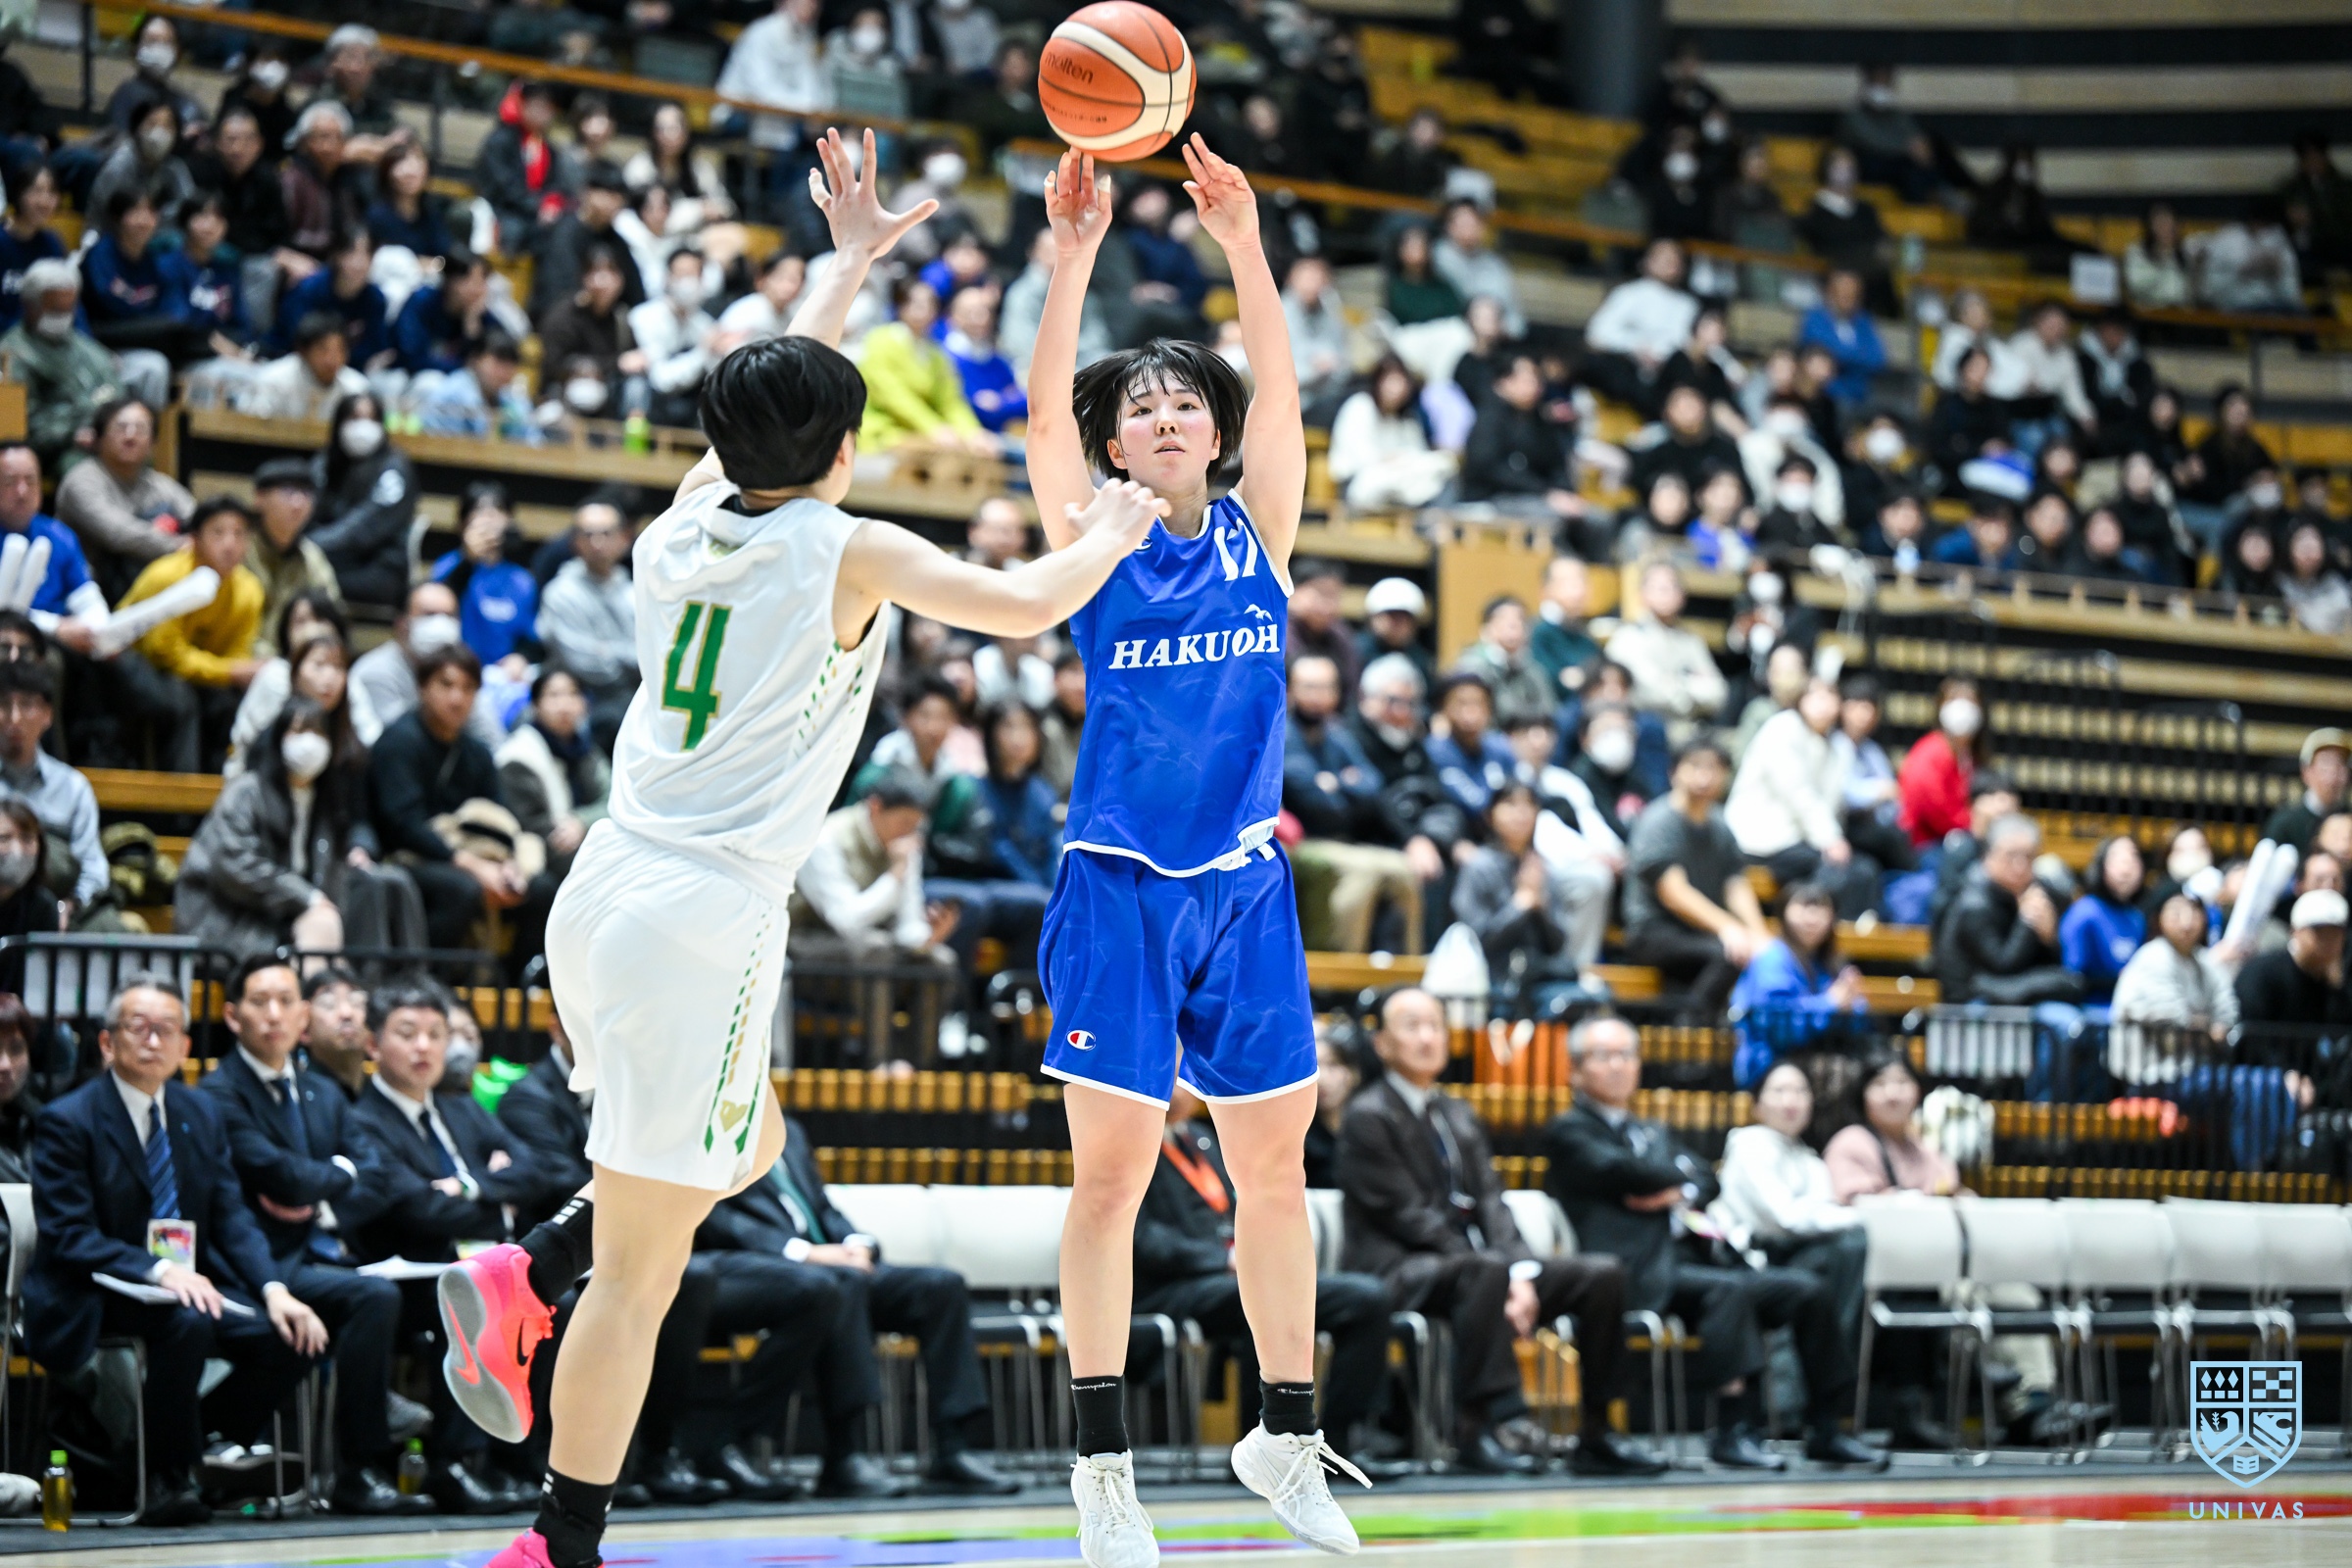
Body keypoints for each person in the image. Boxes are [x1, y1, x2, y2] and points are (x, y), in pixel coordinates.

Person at [433, 130, 1172, 1568]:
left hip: (603, 890)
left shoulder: (681, 522)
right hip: (704, 916)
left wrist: (846, 266)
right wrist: (1118, 525)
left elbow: (766, 409)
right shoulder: (848, 548)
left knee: (751, 1146)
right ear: (844, 452)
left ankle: (534, 1261)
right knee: (645, 1272)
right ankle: (557, 1541)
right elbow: (1031, 603)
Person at [1002, 134, 1386, 1562]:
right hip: (1117, 888)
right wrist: (1074, 256)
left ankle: (1285, 1434)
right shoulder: (1093, 535)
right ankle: (1103, 1473)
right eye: (1140, 407)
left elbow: (1279, 388)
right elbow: (1040, 415)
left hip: (1245, 888)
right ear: (1116, 444)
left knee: (1277, 1172)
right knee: (1110, 1182)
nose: (1164, 416)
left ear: (1212, 435)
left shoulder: (1258, 532)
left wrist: (1245, 244)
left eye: (1182, 402)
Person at [24, 974, 329, 1526]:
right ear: (107, 1042)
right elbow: (70, 1235)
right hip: (91, 1291)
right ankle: (166, 1477)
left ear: (185, 1045)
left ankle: (186, 1449)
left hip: (182, 1288)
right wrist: (159, 1271)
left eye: (166, 1029)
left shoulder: (199, 1113)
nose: (153, 1040)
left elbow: (231, 1215)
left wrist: (274, 1289)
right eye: (138, 1027)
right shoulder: (67, 1120)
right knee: (186, 1321)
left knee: (290, 1336)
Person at [1340, 990, 1662, 1477]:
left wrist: (1521, 1271)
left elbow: (1492, 1202)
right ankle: (1480, 1430)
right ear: (1382, 1043)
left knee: (1602, 1275)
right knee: (1484, 1272)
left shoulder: (1456, 1112)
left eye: (1435, 1025)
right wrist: (1501, 1275)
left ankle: (1598, 1431)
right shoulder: (1368, 1115)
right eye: (1412, 1026)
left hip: (1476, 1271)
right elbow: (1408, 1216)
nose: (1427, 1037)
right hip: (1399, 1268)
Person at [1545, 1015, 1884, 1471]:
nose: (1618, 1066)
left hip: (1694, 1262)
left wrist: (1671, 1187)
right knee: (1730, 1292)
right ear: (1576, 1070)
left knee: (1808, 1290)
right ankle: (1733, 1428)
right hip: (1634, 1271)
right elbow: (1621, 1171)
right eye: (1604, 1056)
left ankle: (1827, 1425)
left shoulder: (1652, 1131)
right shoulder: (1569, 1130)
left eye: (1626, 1055)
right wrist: (1671, 1180)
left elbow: (1706, 1179)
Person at [201, 954, 428, 1516]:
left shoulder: (322, 1091)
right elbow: (278, 1173)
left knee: (418, 1293)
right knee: (372, 1297)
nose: (274, 1014)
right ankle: (358, 1466)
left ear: (303, 1015)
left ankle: (428, 1449)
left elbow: (375, 1174)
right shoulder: (218, 1093)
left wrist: (321, 1198)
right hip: (256, 1261)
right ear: (232, 1015)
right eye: (260, 1002)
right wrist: (335, 1175)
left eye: (286, 1002)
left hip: (322, 1249)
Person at [699, 1121, 1018, 1494]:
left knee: (941, 1287)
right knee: (842, 1284)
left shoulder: (788, 1130)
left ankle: (953, 1449)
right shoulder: (713, 1125)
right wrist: (805, 1253)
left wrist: (856, 1243)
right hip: (764, 1270)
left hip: (830, 1265)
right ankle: (845, 1454)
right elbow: (714, 1214)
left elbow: (820, 1207)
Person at [345, 976, 547, 1513]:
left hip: (481, 1262)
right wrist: (497, 1199)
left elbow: (534, 1170)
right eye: (407, 1033)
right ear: (373, 1044)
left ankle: (520, 1459)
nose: (424, 1047)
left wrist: (470, 1186)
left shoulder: (461, 1108)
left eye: (435, 1034)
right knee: (469, 1301)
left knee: (558, 1303)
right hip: (409, 1273)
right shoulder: (363, 1120)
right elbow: (417, 1208)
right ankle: (452, 1463)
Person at [1140, 1083, 1397, 1470]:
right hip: (1172, 1287)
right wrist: (1222, 1258)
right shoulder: (1132, 1142)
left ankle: (1339, 1441)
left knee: (1368, 1298)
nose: (1178, 1087)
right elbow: (1141, 1238)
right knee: (1258, 1297)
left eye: (1184, 1075)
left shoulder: (1204, 1137)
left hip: (1230, 1277)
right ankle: (1263, 1450)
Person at [176, 694, 420, 957]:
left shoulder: (327, 801)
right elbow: (235, 867)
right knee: (322, 921)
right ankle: (325, 981)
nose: (309, 742)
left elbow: (329, 875)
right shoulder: (246, 792)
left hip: (289, 915)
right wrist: (307, 897)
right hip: (233, 918)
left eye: (318, 732)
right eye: (298, 731)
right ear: (278, 739)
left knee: (387, 884)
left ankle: (397, 977)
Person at [108, 495, 266, 772]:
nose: (230, 544)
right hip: (129, 657)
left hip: (194, 670)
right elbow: (164, 654)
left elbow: (237, 655)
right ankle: (181, 793)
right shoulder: (167, 576)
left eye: (239, 534)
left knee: (232, 703)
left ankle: (224, 784)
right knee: (181, 701)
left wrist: (232, 672)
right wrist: (230, 672)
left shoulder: (250, 590)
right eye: (218, 533)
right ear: (195, 539)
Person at [1622, 737, 1768, 1018]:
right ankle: (1689, 1029)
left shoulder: (1720, 824)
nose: (1705, 776)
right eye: (1696, 766)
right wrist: (1728, 928)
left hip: (1699, 932)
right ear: (1674, 772)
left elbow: (1735, 884)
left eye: (1714, 768)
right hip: (1654, 931)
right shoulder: (1659, 821)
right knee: (1729, 954)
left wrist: (1760, 935)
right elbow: (1674, 893)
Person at [1726, 676, 1878, 919]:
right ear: (1800, 700)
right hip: (1764, 840)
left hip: (1804, 842)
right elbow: (1798, 794)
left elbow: (1831, 803)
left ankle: (1855, 933)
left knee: (1865, 870)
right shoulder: (1782, 728)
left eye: (1830, 696)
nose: (1823, 704)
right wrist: (1830, 839)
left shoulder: (1835, 745)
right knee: (1833, 870)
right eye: (1816, 696)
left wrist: (1831, 839)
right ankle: (1805, 924)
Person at [1729, 881, 1868, 1090]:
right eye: (1803, 906)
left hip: (1816, 1059)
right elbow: (1776, 1025)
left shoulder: (1830, 964)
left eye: (1820, 908)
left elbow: (1858, 1021)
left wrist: (1852, 1006)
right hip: (1768, 1063)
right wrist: (1830, 1003)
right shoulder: (1772, 959)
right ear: (1783, 912)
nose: (1811, 916)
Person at [0, 660, 109, 917]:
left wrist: (69, 907)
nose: (15, 718)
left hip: (61, 908)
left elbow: (93, 867)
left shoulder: (72, 787)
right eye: (3, 705)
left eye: (27, 705)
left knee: (114, 928)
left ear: (48, 714)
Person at [52, 395, 190, 592]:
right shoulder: (82, 480)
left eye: (141, 429)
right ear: (99, 438)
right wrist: (179, 545)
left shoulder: (160, 484)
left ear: (152, 442)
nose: (131, 437)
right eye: (121, 427)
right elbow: (118, 534)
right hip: (85, 590)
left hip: (143, 589)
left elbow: (196, 516)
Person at [1602, 561, 1728, 733]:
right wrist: (1690, 686)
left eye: (1672, 587)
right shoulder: (1627, 638)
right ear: (1642, 594)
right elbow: (1645, 693)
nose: (1666, 593)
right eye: (1659, 587)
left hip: (1690, 728)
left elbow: (1718, 692)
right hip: (1640, 728)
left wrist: (1676, 686)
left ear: (1682, 596)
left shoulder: (1690, 641)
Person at [1326, 356, 1453, 514]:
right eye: (1391, 382)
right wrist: (1392, 460)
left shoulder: (1407, 419)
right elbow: (1359, 456)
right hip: (1357, 483)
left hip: (1401, 481)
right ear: (1378, 382)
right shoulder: (1360, 406)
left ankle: (1435, 521)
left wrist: (1403, 461)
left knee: (1441, 467)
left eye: (1401, 383)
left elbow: (1417, 454)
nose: (1396, 389)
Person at [432, 485, 539, 666]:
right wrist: (468, 560)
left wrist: (521, 657)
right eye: (479, 509)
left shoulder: (522, 580)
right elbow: (437, 610)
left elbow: (530, 637)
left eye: (498, 509)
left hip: (503, 673)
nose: (489, 516)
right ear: (462, 523)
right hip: (454, 666)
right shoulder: (447, 566)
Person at [243, 458, 339, 652]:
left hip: (293, 660)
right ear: (259, 498)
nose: (298, 503)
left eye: (306, 493)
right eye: (287, 492)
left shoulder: (311, 557)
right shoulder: (238, 549)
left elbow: (332, 617)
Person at [1897, 675, 1984, 848]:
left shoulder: (1969, 755)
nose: (1963, 709)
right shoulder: (1931, 751)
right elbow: (1932, 807)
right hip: (1925, 844)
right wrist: (1973, 824)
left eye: (1969, 701)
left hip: (1956, 836)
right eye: (1954, 700)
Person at [2059, 835, 2147, 1004]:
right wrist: (2119, 979)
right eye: (2118, 859)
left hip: (2127, 1007)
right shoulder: (2084, 912)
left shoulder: (2136, 918)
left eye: (2133, 859)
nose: (2126, 869)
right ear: (2101, 866)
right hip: (2088, 1009)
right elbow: (2072, 977)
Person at [238, 309, 369, 422]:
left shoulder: (356, 389)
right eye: (323, 349)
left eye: (340, 350)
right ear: (303, 350)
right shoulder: (273, 381)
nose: (332, 359)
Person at [2263, 727, 2349, 854]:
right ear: (2306, 772)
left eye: (2341, 763)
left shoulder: (2349, 818)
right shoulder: (2286, 821)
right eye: (2326, 763)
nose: (2334, 772)